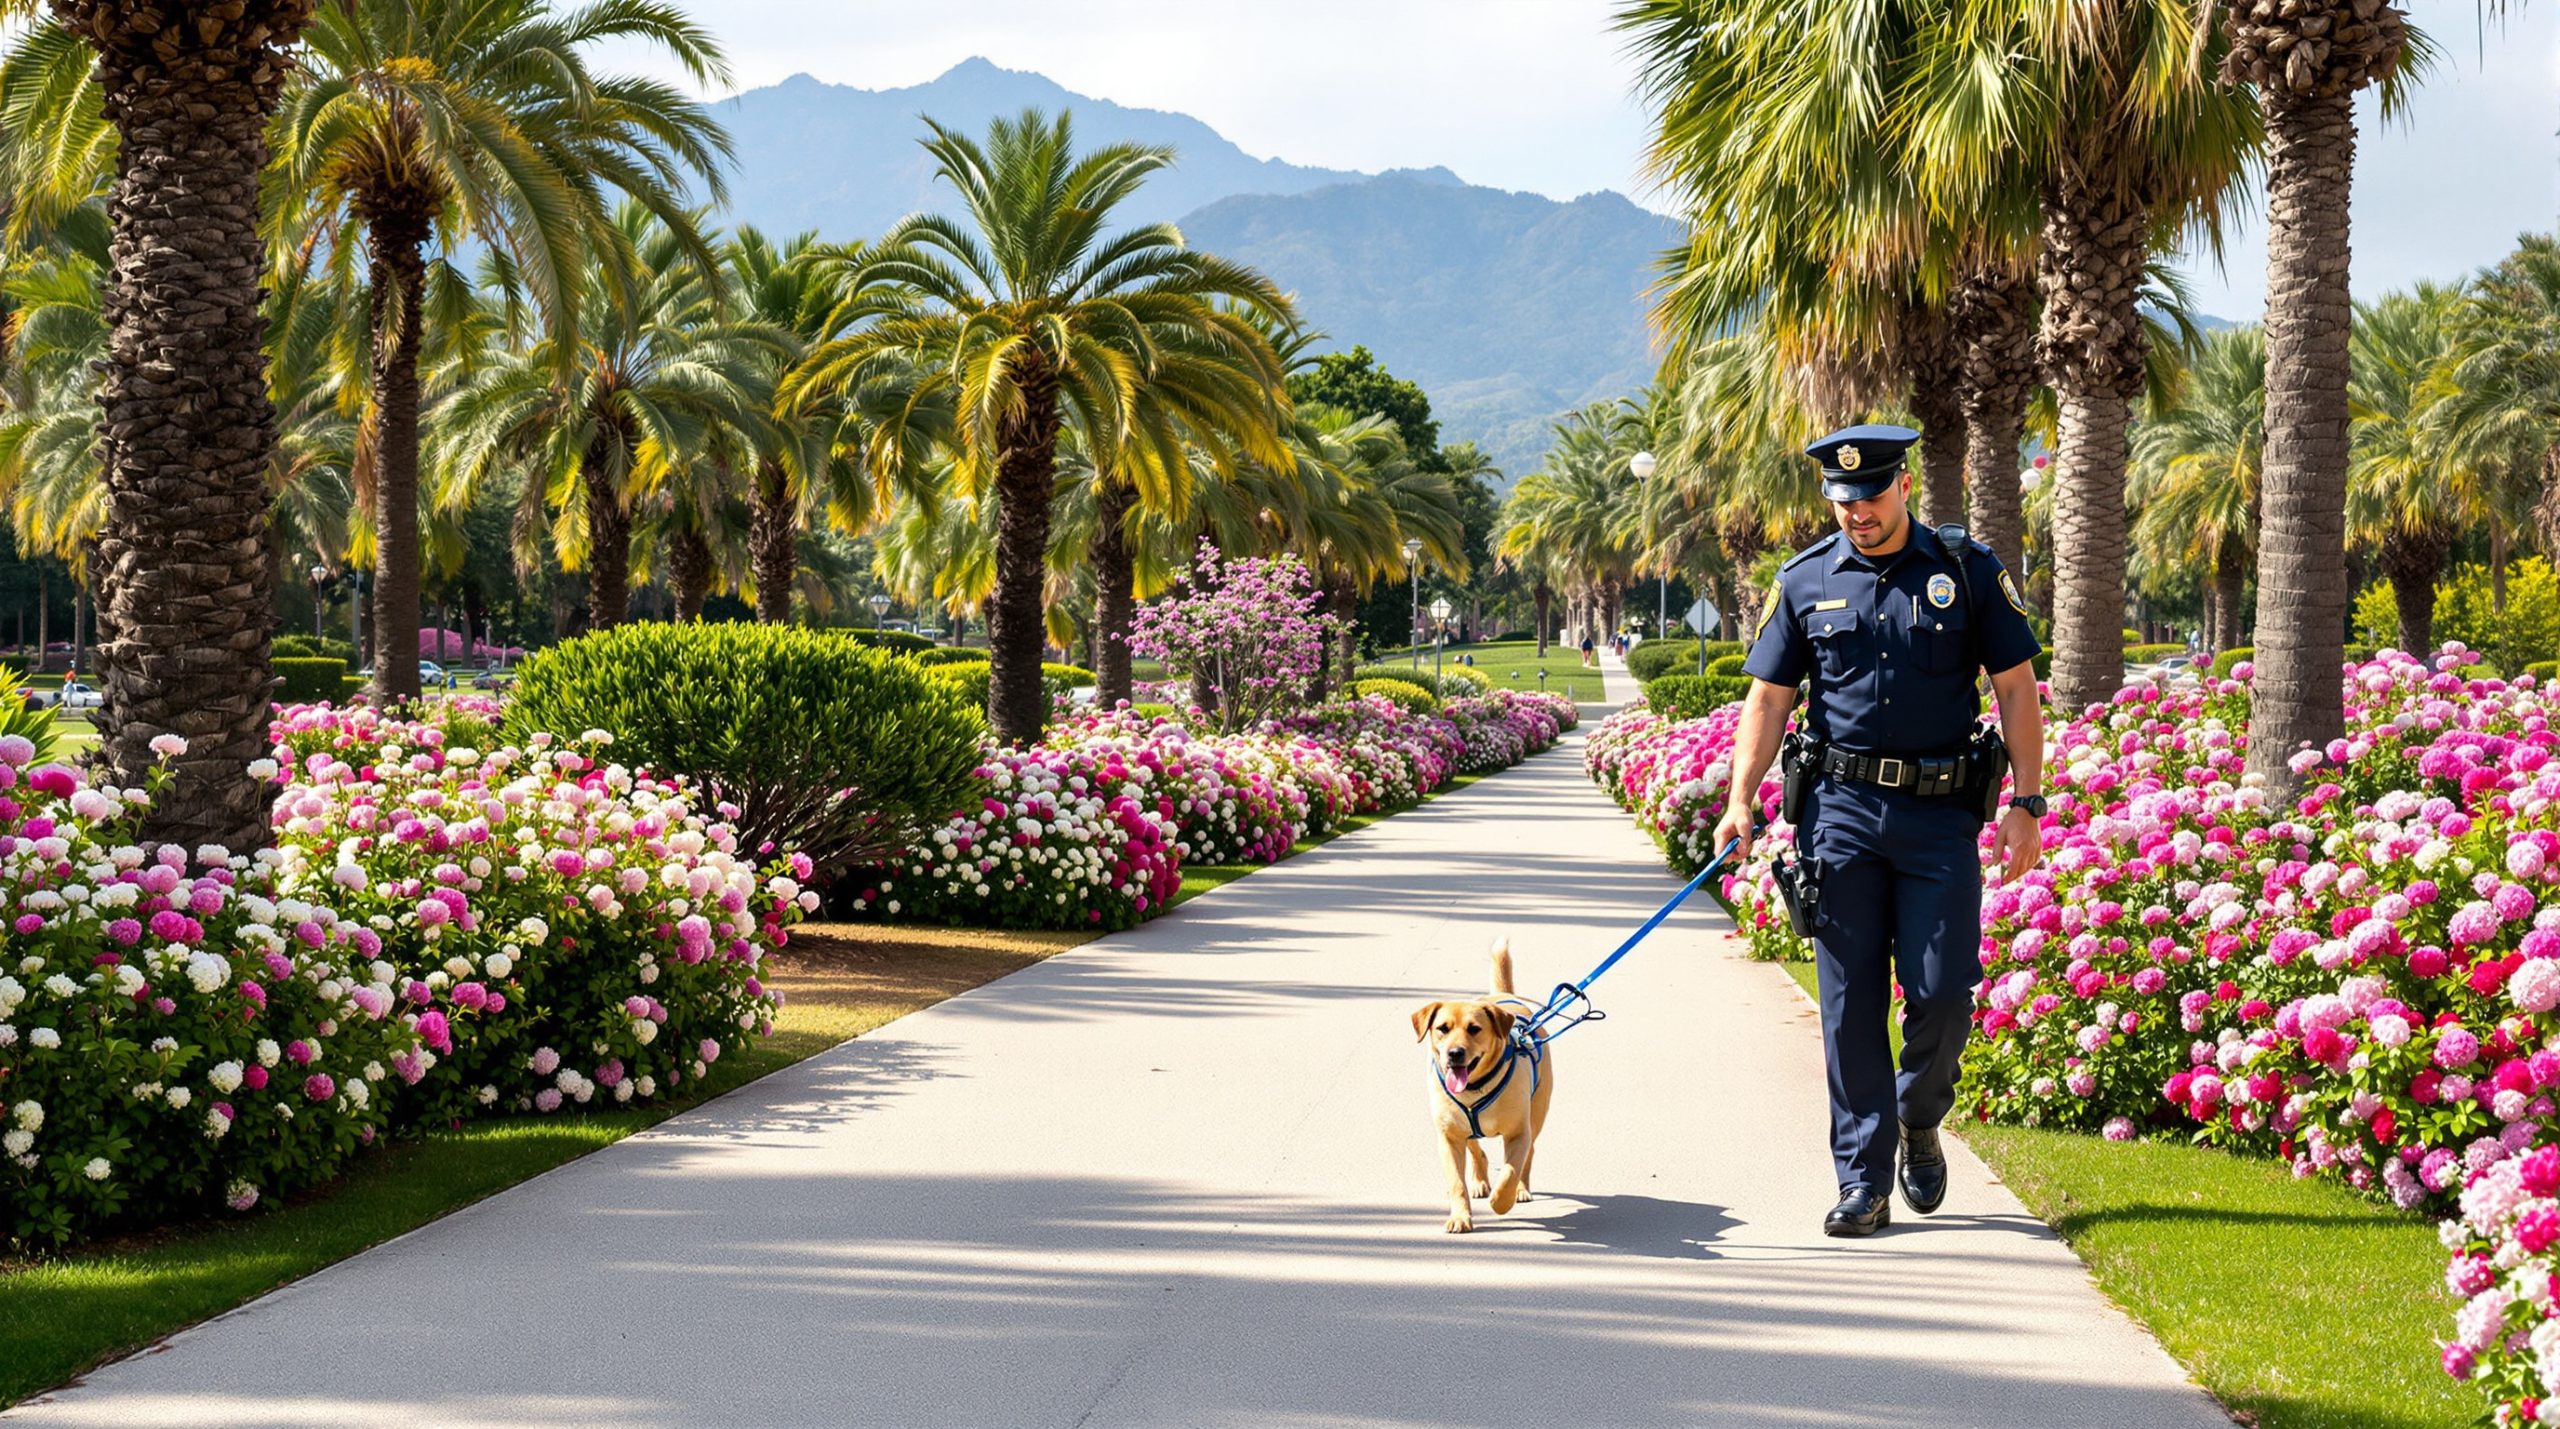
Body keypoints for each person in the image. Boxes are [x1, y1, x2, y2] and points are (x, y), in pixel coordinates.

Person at [1711, 422, 2047, 1238]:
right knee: (1850, 1002)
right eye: (1842, 499)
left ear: (1903, 486)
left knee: (1942, 992)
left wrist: (2027, 801)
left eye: (1869, 496)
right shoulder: (1803, 581)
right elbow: (1768, 699)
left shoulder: (1965, 570)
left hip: (1939, 815)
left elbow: (2015, 687)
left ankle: (1918, 1116)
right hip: (1841, 816)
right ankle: (1862, 1182)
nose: (1856, 512)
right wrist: (1740, 797)